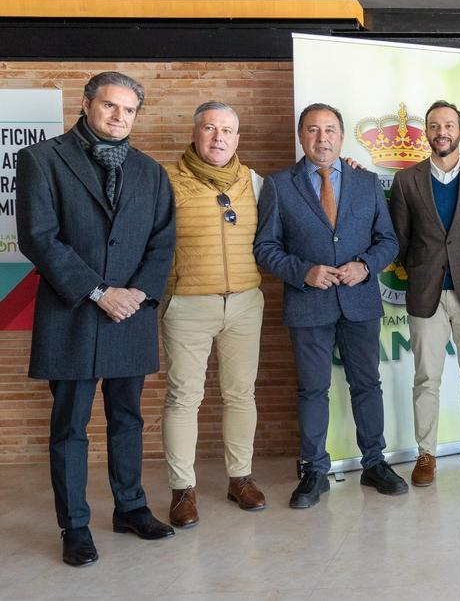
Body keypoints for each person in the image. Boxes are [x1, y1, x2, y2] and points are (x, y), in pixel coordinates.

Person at [16, 71, 176, 566]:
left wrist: (138, 293)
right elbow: (38, 238)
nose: (119, 117)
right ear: (87, 105)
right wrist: (98, 291)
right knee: (70, 427)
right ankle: (75, 525)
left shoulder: (151, 172)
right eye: (110, 106)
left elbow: (162, 242)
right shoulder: (41, 160)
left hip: (131, 314)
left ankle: (130, 507)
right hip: (74, 314)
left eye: (129, 110)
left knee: (128, 418)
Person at [253, 102, 406, 508]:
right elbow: (265, 248)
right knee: (312, 389)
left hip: (359, 300)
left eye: (331, 130)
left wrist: (364, 267)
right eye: (313, 130)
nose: (323, 138)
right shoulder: (279, 185)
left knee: (367, 385)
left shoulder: (367, 182)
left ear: (342, 136)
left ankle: (375, 463)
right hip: (308, 302)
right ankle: (314, 471)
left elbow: (388, 241)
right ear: (302, 135)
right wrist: (303, 271)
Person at [161, 102, 267, 527]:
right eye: (210, 128)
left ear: (238, 139)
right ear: (196, 132)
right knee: (184, 397)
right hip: (187, 303)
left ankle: (240, 477)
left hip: (245, 303)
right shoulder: (166, 180)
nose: (219, 137)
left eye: (227, 130)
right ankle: (182, 489)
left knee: (241, 394)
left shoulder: (254, 182)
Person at [390, 100, 460, 486]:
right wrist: (420, 268)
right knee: (426, 379)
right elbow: (399, 239)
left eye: (449, 125)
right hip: (425, 294)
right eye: (434, 125)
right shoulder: (407, 182)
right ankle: (426, 454)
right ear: (426, 133)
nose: (442, 132)